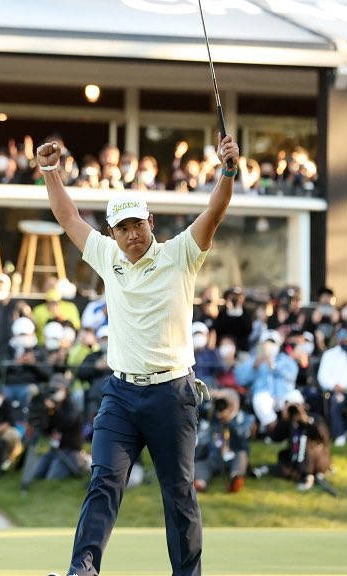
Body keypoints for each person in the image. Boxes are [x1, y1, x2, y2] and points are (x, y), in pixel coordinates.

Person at [37, 132, 239, 576]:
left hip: (173, 393)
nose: (132, 235)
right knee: (104, 479)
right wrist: (51, 171)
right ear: (113, 232)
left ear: (151, 222)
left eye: (138, 225)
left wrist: (227, 172)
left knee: (179, 492)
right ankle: (83, 569)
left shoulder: (180, 253)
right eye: (123, 228)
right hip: (122, 394)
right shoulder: (107, 256)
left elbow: (214, 211)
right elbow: (68, 216)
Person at [193, 388, 252, 494]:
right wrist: (211, 397)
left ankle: (236, 478)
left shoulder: (241, 418)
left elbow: (242, 444)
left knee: (241, 456)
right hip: (214, 456)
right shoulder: (212, 415)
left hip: (233, 455)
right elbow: (195, 409)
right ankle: (200, 482)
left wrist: (229, 420)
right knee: (201, 464)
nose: (222, 407)